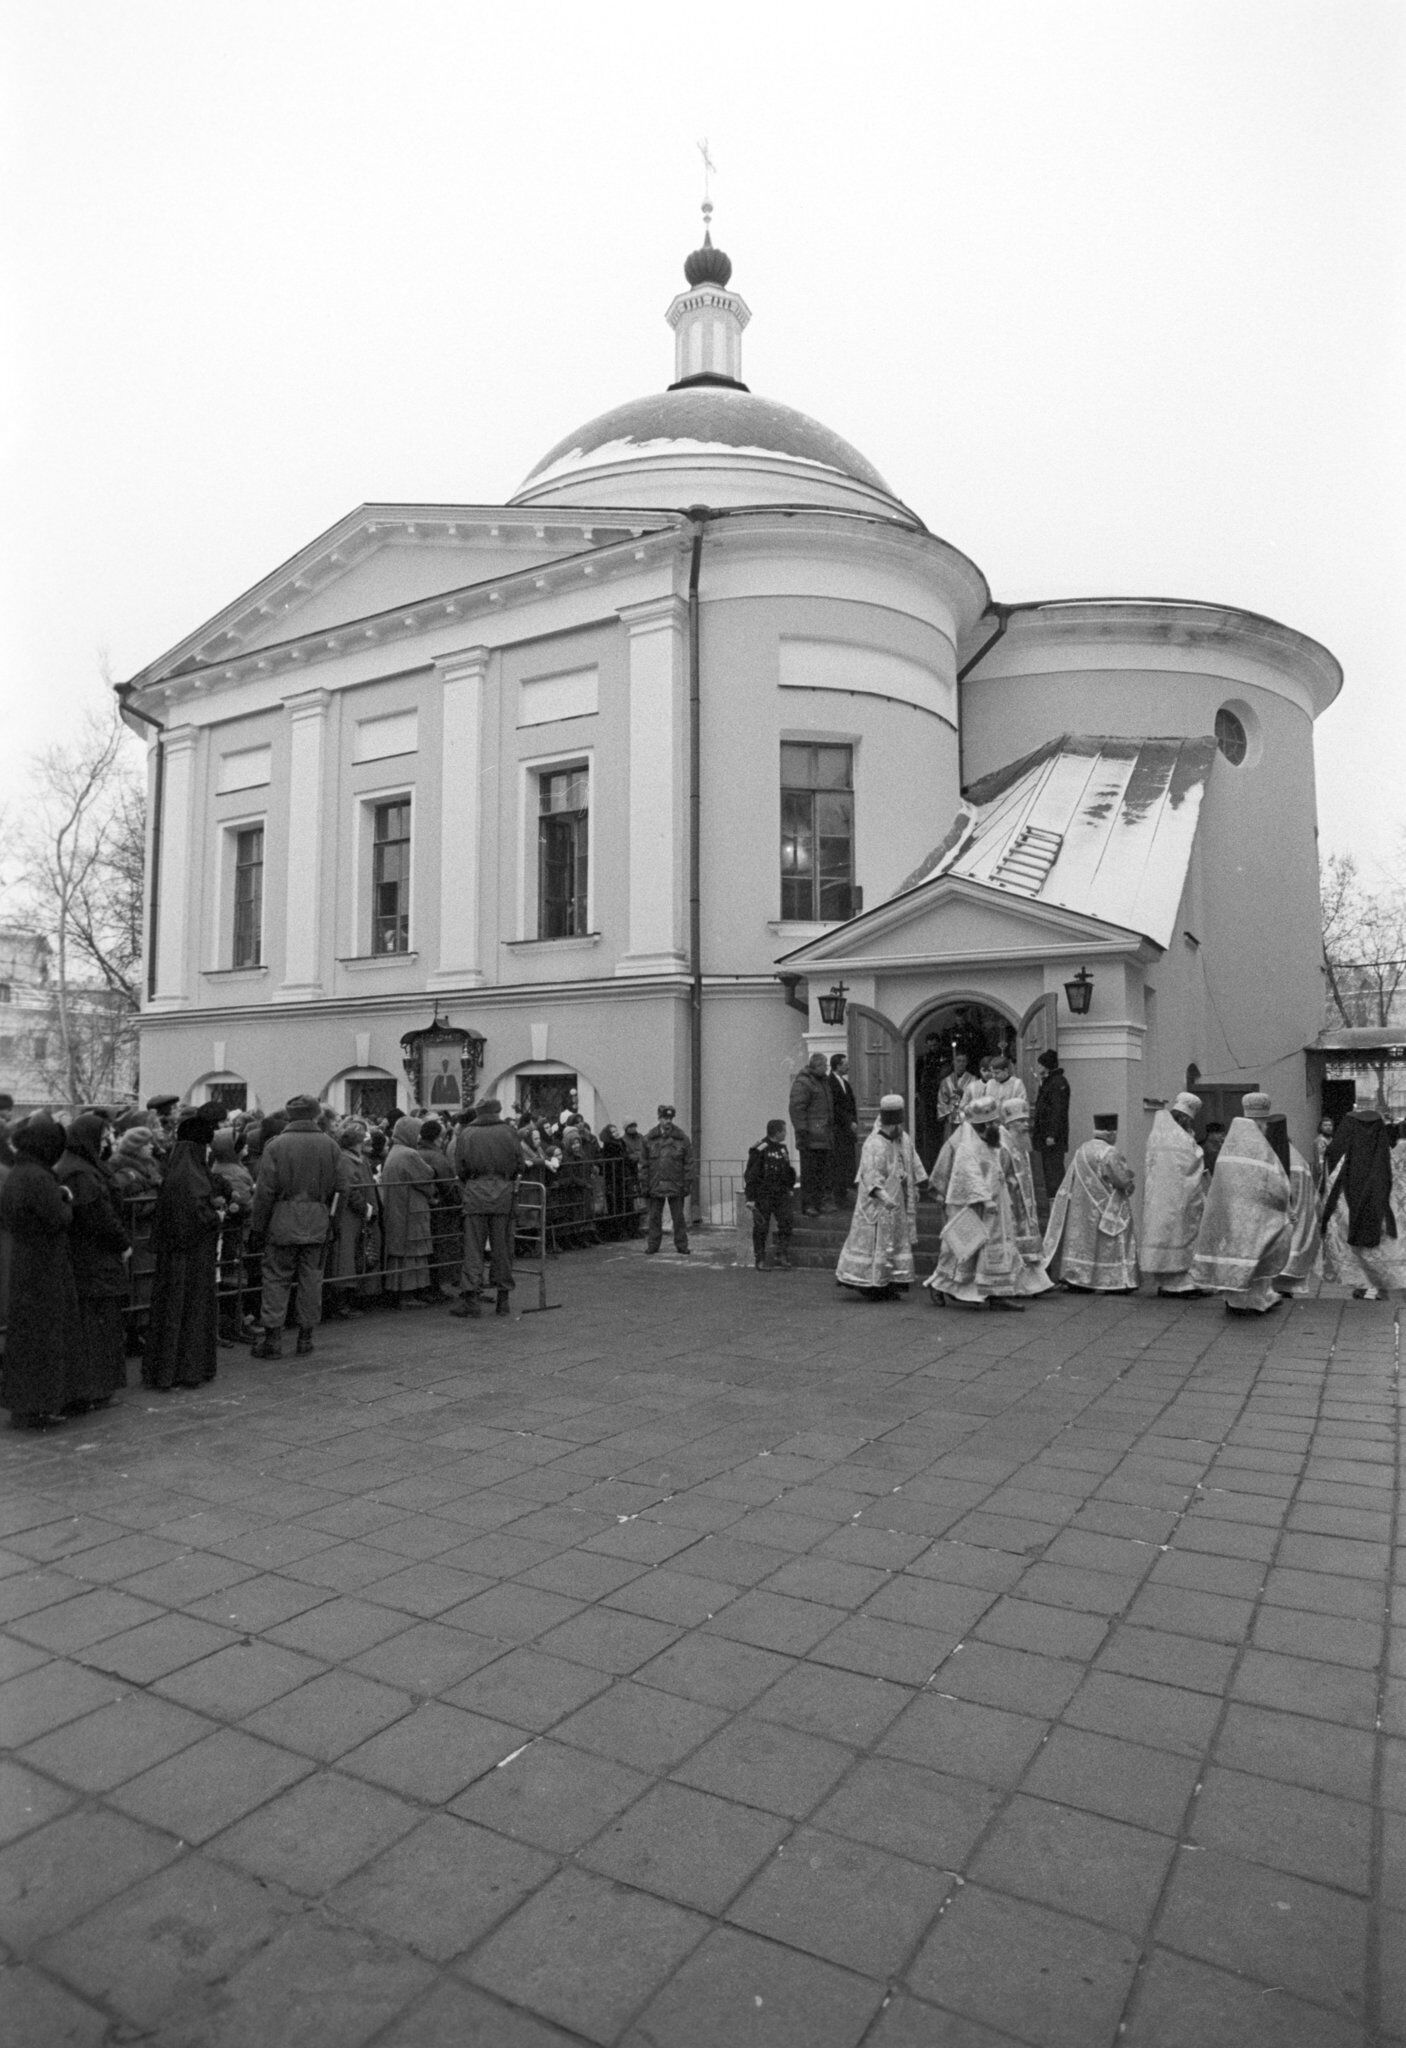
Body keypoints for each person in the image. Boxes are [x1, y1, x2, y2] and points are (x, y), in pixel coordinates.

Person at [925, 1096, 1045, 1310]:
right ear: (984, 1125)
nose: (998, 1126)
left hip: (997, 1206)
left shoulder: (992, 1143)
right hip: (974, 1207)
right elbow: (968, 1175)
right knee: (961, 1252)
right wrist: (983, 1198)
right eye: (994, 1123)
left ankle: (996, 1295)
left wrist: (1008, 1184)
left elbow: (1001, 1169)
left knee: (994, 1250)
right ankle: (938, 1284)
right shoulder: (967, 1147)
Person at [0, 1116, 83, 1426]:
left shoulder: (19, 1172)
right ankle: (40, 1406)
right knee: (45, 1337)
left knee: (26, 1339)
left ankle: (26, 1406)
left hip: (25, 1262)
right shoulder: (38, 1177)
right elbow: (58, 1218)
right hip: (45, 1265)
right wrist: (66, 1198)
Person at [249, 1093, 342, 1356]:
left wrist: (258, 1226)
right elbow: (342, 1188)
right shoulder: (330, 1146)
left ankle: (273, 1339)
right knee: (312, 1278)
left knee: (276, 1278)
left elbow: (265, 1191)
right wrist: (332, 1221)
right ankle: (305, 1338)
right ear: (316, 1115)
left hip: (282, 1218)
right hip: (318, 1219)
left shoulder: (276, 1146)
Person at [143, 1103, 226, 1390]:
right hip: (192, 1254)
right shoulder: (191, 1172)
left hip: (177, 1252)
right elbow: (197, 1210)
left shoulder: (179, 1167)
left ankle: (169, 1369)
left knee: (174, 1309)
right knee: (188, 1309)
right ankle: (185, 1370)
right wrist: (218, 1214)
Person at [54, 1112, 131, 1411]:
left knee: (93, 1325)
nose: (104, 1145)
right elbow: (99, 1216)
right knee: (97, 1327)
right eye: (101, 1139)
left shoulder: (76, 1166)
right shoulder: (82, 1172)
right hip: (95, 1261)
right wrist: (122, 1243)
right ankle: (95, 1388)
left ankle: (92, 1388)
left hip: (88, 1260)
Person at [1189, 1094, 1293, 1314]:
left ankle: (1234, 1298)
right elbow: (1277, 1184)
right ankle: (1252, 1302)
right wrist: (1285, 1200)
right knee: (1256, 1256)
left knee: (1238, 1257)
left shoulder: (1231, 1145)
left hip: (1232, 1216)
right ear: (1261, 1123)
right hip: (1256, 1217)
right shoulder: (1261, 1148)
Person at [836, 1094, 927, 1299]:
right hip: (878, 1205)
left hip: (897, 1202)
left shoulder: (902, 1138)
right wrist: (885, 1198)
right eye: (898, 1123)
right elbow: (870, 1176)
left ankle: (890, 1282)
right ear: (891, 1122)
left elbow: (912, 1163)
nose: (900, 1127)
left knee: (893, 1243)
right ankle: (873, 1284)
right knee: (877, 1243)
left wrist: (915, 1187)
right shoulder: (874, 1143)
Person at [1042, 1112, 1139, 1292]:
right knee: (1108, 1243)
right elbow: (1121, 1179)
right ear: (1111, 1133)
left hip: (1083, 1207)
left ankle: (1079, 1279)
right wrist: (1129, 1183)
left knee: (1085, 1244)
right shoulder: (1110, 1152)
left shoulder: (1082, 1150)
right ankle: (1115, 1281)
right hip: (1108, 1207)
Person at [1320, 1101, 1406, 1299]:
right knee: (1378, 1247)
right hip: (1383, 1212)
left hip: (1348, 1207)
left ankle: (1368, 1286)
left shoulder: (1341, 1159)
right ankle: (1371, 1286)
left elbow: (1330, 1174)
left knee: (1358, 1245)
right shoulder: (1388, 1159)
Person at [450, 1097, 523, 1317]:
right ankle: (503, 1300)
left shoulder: (467, 1134)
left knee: (473, 1248)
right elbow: (520, 1164)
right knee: (503, 1247)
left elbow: (460, 1168)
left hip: (475, 1193)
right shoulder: (508, 1132)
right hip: (503, 1193)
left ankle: (471, 1299)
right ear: (497, 1111)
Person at [1141, 1093, 1209, 1296]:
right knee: (1181, 1235)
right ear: (1187, 1118)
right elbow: (1192, 1163)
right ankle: (1180, 1285)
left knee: (1163, 1235)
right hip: (1180, 1198)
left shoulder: (1157, 1133)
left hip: (1158, 1196)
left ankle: (1164, 1282)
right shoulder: (1183, 1138)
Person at [379, 1115, 437, 1306]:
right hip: (410, 1207)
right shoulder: (409, 1154)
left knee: (404, 1250)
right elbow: (426, 1175)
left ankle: (407, 1292)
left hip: (398, 1206)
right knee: (413, 1249)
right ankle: (409, 1294)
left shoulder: (395, 1152)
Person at [1267, 1112, 1322, 1297]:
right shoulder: (1299, 1160)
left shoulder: (1265, 1156)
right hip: (1295, 1218)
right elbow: (1310, 1196)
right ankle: (1285, 1289)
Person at [327, 1125, 373, 1316]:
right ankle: (341, 1303)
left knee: (351, 1257)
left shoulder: (354, 1160)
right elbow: (349, 1189)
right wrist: (366, 1208)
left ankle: (347, 1299)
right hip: (348, 1216)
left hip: (354, 1216)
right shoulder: (347, 1161)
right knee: (344, 1259)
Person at [744, 1119, 797, 1269]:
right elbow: (751, 1175)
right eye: (784, 1131)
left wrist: (790, 1187)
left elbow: (787, 1171)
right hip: (763, 1194)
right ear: (777, 1132)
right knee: (761, 1228)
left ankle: (781, 1253)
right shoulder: (761, 1149)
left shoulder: (782, 1149)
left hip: (781, 1194)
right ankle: (759, 1259)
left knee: (786, 1222)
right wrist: (750, 1198)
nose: (786, 1133)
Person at [788, 1052, 835, 1216]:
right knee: (810, 1173)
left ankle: (821, 1202)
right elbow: (797, 1108)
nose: (826, 1068)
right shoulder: (804, 1083)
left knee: (823, 1172)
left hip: (824, 1136)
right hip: (811, 1137)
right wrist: (802, 1130)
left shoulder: (823, 1082)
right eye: (824, 1065)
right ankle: (809, 1205)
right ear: (816, 1066)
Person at [643, 1104, 692, 1255]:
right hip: (655, 1183)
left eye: (670, 1118)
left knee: (678, 1218)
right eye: (665, 1118)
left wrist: (687, 1183)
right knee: (654, 1218)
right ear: (659, 1118)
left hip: (676, 1183)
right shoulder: (649, 1139)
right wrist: (644, 1185)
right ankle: (653, 1245)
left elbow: (689, 1163)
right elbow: (644, 1164)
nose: (668, 1121)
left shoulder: (682, 1138)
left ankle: (682, 1246)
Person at [1031, 1049, 1071, 1215]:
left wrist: (1052, 1134)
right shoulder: (1049, 1081)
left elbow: (1057, 1111)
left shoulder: (1057, 1083)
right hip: (1046, 1136)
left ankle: (1058, 1208)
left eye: (1040, 1063)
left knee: (1054, 1172)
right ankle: (1052, 1204)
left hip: (1053, 1139)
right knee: (1048, 1172)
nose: (1037, 1066)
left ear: (1046, 1065)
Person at [828, 1054, 859, 1207]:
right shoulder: (830, 1083)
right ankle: (839, 1196)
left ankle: (844, 1194)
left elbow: (850, 1105)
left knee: (846, 1163)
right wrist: (848, 1122)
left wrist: (854, 1121)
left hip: (847, 1131)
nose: (848, 1066)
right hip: (839, 1130)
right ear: (838, 1066)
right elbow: (836, 1107)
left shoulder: (844, 1083)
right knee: (839, 1164)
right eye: (845, 1064)